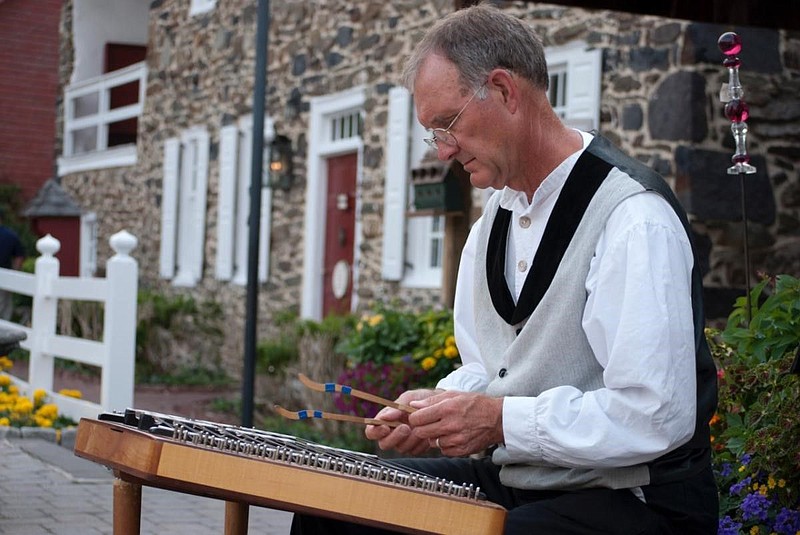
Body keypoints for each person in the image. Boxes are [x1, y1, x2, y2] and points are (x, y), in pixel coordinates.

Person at [291, 3, 718, 534]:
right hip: (523, 480)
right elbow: (491, 368)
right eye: (433, 133)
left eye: (447, 124)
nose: (443, 150)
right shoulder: (495, 218)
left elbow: (653, 414)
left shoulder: (632, 217)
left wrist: (495, 420)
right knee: (337, 507)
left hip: (635, 498)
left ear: (503, 91)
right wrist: (439, 409)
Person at [0, 207, 25, 320]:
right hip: (5, 276)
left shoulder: (10, 235)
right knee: (4, 307)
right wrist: (15, 274)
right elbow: (19, 257)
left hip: (5, 277)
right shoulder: (11, 235)